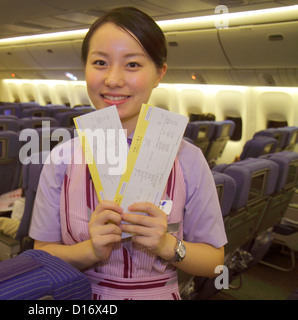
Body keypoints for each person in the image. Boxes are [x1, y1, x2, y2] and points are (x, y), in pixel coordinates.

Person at [29, 7, 227, 300]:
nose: (113, 79)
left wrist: (167, 246)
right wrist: (90, 250)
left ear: (159, 73)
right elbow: (41, 255)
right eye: (100, 63)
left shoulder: (188, 158)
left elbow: (215, 263)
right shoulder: (61, 159)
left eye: (132, 65)